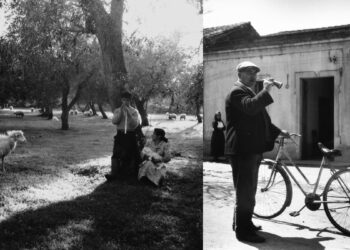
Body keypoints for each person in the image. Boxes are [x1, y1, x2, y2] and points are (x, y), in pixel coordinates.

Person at [225, 61, 289, 243]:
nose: (253, 75)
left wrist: (280, 132)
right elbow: (251, 107)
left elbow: (262, 119)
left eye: (255, 72)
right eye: (249, 72)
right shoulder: (237, 92)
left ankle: (244, 223)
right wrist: (266, 89)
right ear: (240, 74)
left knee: (248, 190)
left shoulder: (248, 92)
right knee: (245, 191)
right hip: (242, 149)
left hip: (250, 148)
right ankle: (243, 232)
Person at [105, 91, 143, 182]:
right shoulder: (117, 110)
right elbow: (114, 121)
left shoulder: (134, 111)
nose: (125, 101)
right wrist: (121, 112)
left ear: (130, 100)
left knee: (134, 154)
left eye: (127, 100)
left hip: (131, 134)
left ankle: (134, 174)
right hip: (120, 133)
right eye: (124, 100)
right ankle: (114, 173)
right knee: (116, 153)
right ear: (121, 100)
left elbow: (134, 124)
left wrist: (128, 113)